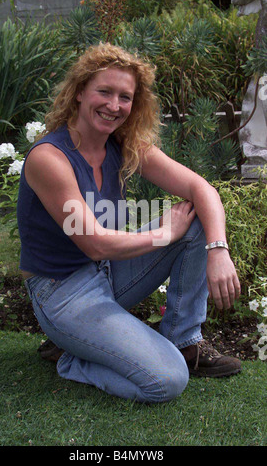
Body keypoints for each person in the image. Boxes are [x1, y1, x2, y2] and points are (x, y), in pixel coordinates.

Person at [17, 43, 241, 403]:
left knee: (195, 221)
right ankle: (73, 357)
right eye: (104, 92)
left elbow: (202, 189)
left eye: (125, 97)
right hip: (62, 293)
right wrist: (163, 234)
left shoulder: (122, 146)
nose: (114, 105)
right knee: (166, 381)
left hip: (106, 272)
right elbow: (95, 243)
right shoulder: (50, 158)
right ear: (78, 93)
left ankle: (184, 340)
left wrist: (218, 249)